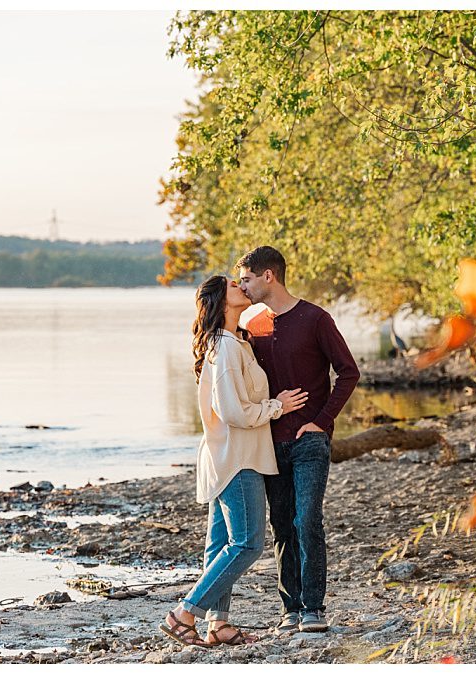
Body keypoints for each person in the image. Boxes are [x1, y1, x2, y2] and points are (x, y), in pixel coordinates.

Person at [160, 276, 309, 648]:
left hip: (229, 454)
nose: (240, 284)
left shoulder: (232, 342)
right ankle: (185, 613)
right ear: (220, 302)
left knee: (220, 545)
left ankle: (218, 625)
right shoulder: (225, 347)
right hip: (236, 458)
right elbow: (233, 412)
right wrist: (278, 406)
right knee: (247, 544)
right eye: (231, 284)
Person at [238, 246, 360, 633]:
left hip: (310, 441)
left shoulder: (315, 319)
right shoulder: (253, 325)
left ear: (268, 276)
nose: (242, 286)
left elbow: (348, 372)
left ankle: (314, 608)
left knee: (308, 519)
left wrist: (323, 421)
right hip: (270, 442)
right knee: (282, 525)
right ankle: (290, 608)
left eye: (247, 278)